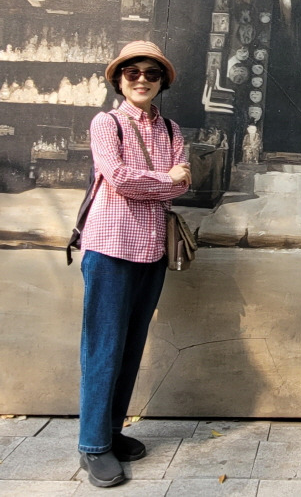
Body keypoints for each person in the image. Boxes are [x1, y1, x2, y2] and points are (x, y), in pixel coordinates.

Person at [77, 41, 191, 488]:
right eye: (132, 72)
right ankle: (93, 446)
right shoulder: (106, 123)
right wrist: (165, 179)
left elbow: (184, 183)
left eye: (152, 73)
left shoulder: (171, 130)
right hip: (110, 246)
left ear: (162, 82)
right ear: (119, 79)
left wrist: (164, 182)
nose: (142, 79)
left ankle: (110, 431)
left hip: (151, 249)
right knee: (103, 346)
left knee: (130, 346)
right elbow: (120, 178)